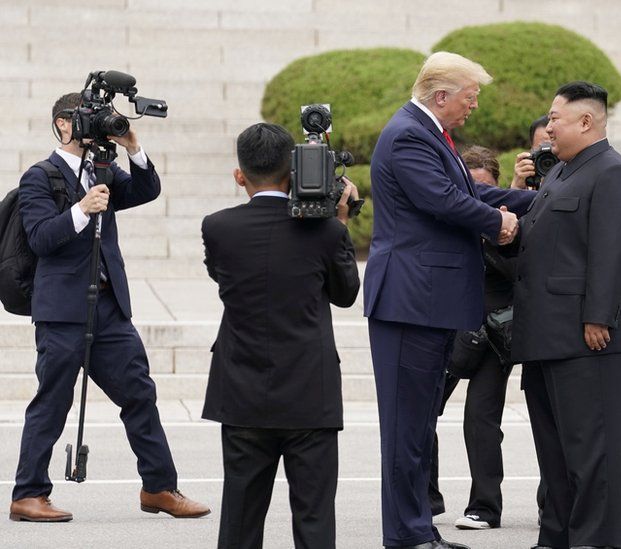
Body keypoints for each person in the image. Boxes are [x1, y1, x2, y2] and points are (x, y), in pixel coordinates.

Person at [9, 92, 208, 522]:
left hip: (108, 307)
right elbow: (41, 238)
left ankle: (159, 487)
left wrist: (133, 147)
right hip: (61, 311)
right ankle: (28, 494)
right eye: (85, 119)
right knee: (52, 401)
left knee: (139, 393)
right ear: (63, 125)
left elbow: (146, 190)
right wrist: (82, 209)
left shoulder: (104, 170)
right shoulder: (39, 177)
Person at [364, 51, 535, 549]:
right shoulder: (409, 135)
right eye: (469, 96)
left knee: (417, 428)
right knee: (406, 428)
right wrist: (500, 224)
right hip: (409, 301)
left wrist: (538, 201)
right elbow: (443, 200)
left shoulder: (429, 133)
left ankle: (416, 531)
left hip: (426, 301)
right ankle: (408, 535)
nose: (474, 106)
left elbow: (470, 194)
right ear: (441, 96)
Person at [201, 123, 361, 549]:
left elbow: (223, 278)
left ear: (240, 175)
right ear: (293, 171)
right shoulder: (327, 231)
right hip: (310, 392)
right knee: (313, 517)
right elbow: (345, 295)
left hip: (241, 390)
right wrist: (339, 219)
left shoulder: (217, 227)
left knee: (240, 519)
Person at [511, 81, 621, 549]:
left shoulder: (612, 172)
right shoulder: (560, 174)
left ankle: (594, 541)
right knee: (556, 453)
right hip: (545, 336)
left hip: (587, 339)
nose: (548, 128)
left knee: (594, 454)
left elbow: (613, 254)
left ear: (586, 122)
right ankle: (557, 537)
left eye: (555, 119)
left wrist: (599, 318)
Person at [426, 145, 519, 531]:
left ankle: (485, 507)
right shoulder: (444, 216)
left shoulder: (510, 223)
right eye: (469, 189)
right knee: (421, 413)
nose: (476, 198)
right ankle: (424, 499)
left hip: (494, 335)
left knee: (481, 420)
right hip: (449, 331)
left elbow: (522, 274)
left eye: (485, 189)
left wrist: (493, 236)